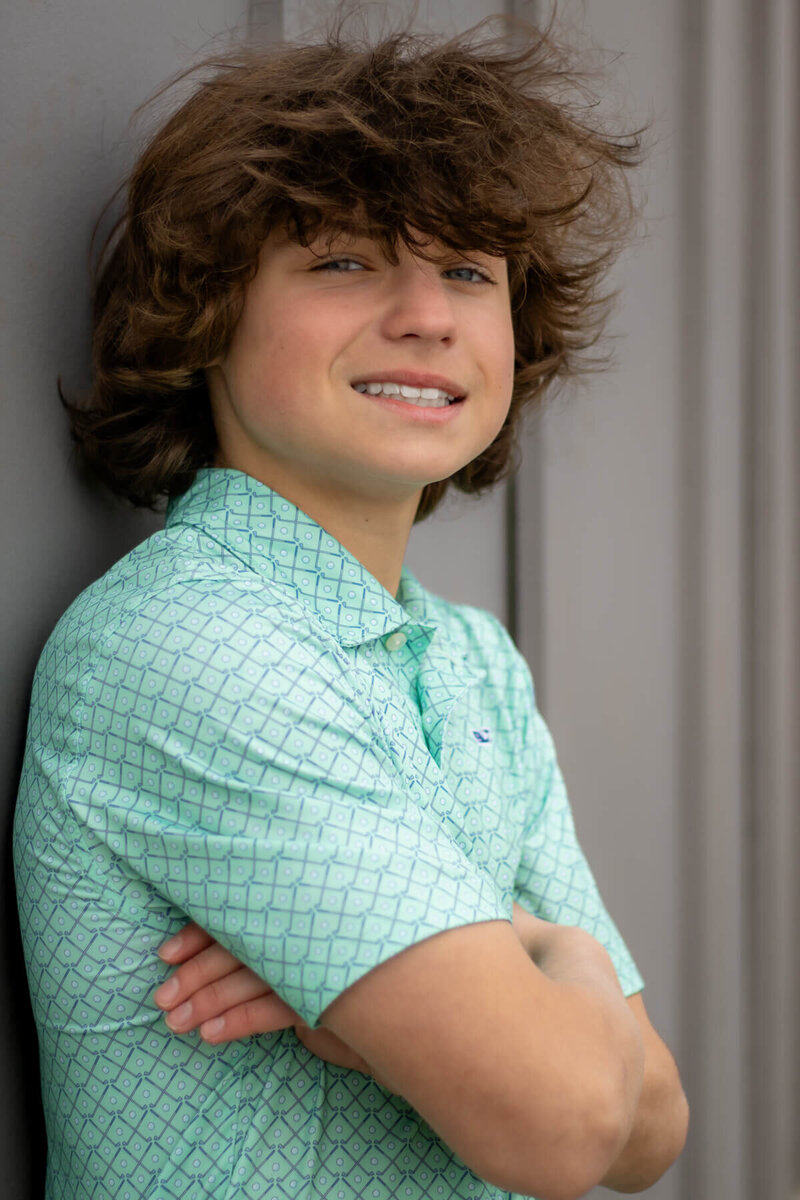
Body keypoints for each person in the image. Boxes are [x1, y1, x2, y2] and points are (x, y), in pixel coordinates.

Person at [14, 13, 688, 1200]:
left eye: (469, 271)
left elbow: (655, 1129)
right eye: (344, 260)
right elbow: (570, 1122)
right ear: (207, 314)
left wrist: (528, 959)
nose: (428, 313)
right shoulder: (194, 641)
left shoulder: (467, 660)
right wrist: (533, 976)